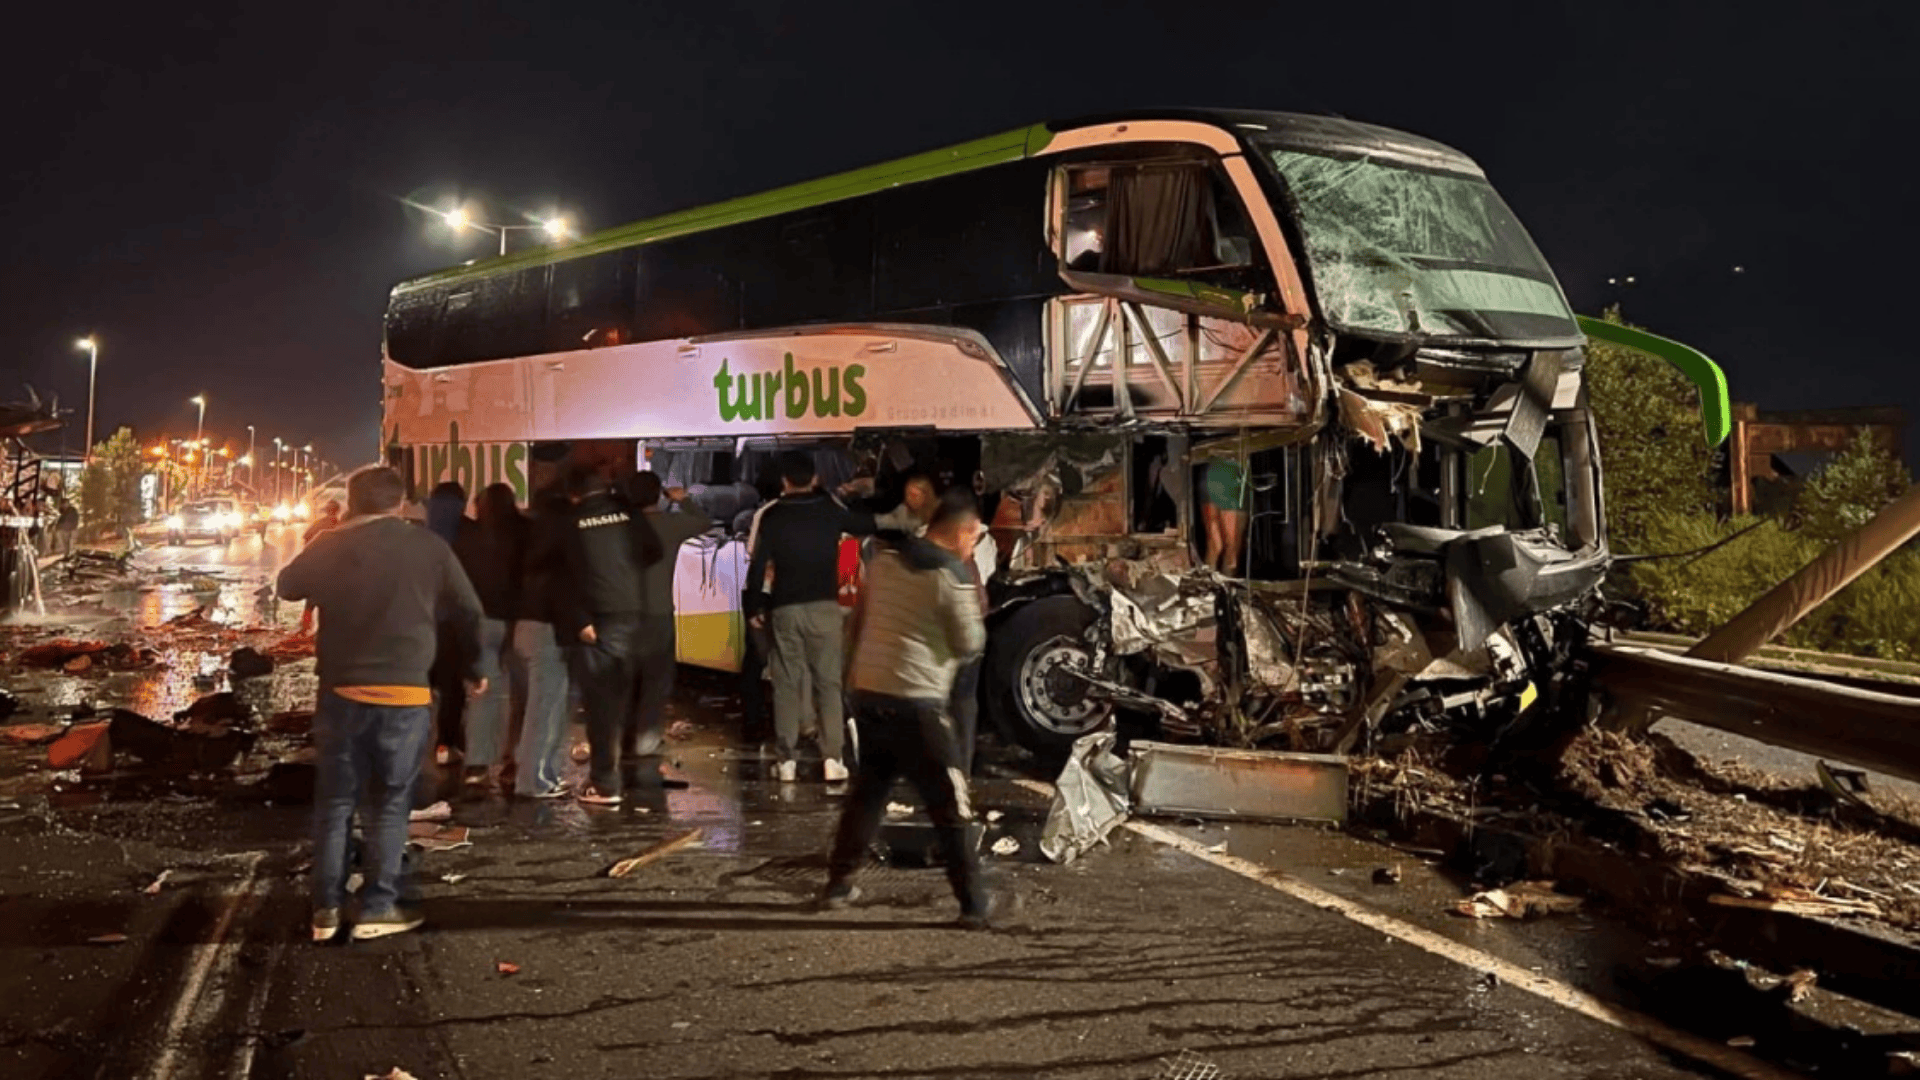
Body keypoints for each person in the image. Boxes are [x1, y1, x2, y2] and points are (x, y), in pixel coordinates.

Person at [277, 466, 485, 943]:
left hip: (341, 693)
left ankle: (325, 912)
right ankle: (378, 906)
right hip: (405, 693)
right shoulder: (428, 546)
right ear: (401, 502)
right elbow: (467, 609)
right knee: (388, 805)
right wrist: (476, 666)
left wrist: (330, 546)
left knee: (334, 805)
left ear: (352, 501)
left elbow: (287, 585)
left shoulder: (331, 543)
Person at [821, 488, 991, 926]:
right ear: (961, 533)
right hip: (917, 703)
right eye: (974, 539)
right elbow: (969, 642)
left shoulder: (884, 562)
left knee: (868, 795)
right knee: (951, 804)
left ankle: (838, 884)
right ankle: (974, 904)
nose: (973, 547)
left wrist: (851, 679)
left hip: (870, 694)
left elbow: (855, 620)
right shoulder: (949, 574)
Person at [745, 450, 877, 783]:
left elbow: (756, 561)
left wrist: (756, 606)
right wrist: (846, 599)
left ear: (783, 480)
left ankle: (788, 756)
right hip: (828, 604)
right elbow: (849, 548)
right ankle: (832, 756)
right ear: (816, 478)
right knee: (828, 681)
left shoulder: (769, 514)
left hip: (783, 604)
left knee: (787, 679)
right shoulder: (832, 510)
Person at [556, 466, 664, 806]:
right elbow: (653, 551)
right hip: (632, 615)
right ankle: (627, 768)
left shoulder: (571, 522)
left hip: (597, 621)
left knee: (601, 705)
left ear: (574, 494)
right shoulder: (627, 514)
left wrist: (579, 619)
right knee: (623, 692)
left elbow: (566, 575)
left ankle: (605, 783)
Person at [624, 471, 711, 771]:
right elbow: (705, 523)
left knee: (625, 679)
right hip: (659, 614)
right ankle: (646, 740)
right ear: (659, 495)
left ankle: (624, 738)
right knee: (656, 678)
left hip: (623, 615)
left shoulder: (618, 527)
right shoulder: (671, 524)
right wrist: (684, 499)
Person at [455, 483, 525, 791]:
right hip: (520, 622)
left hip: (481, 621)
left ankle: (477, 765)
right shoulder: (526, 533)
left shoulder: (467, 536)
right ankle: (513, 761)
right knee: (522, 697)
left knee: (483, 695)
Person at [509, 487, 575, 799]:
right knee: (544, 710)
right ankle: (532, 781)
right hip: (547, 635)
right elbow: (562, 600)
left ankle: (542, 775)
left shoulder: (529, 546)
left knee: (541, 708)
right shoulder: (560, 557)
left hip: (524, 629)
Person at [297, 499, 344, 634]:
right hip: (333, 567)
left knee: (311, 600)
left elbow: (306, 539)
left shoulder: (319, 524)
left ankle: (305, 626)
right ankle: (327, 629)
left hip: (317, 565)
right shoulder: (341, 525)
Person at [1200, 458, 1248, 573]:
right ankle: (1213, 584)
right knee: (1221, 547)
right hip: (1223, 472)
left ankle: (1217, 584)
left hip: (1228, 471)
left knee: (1223, 548)